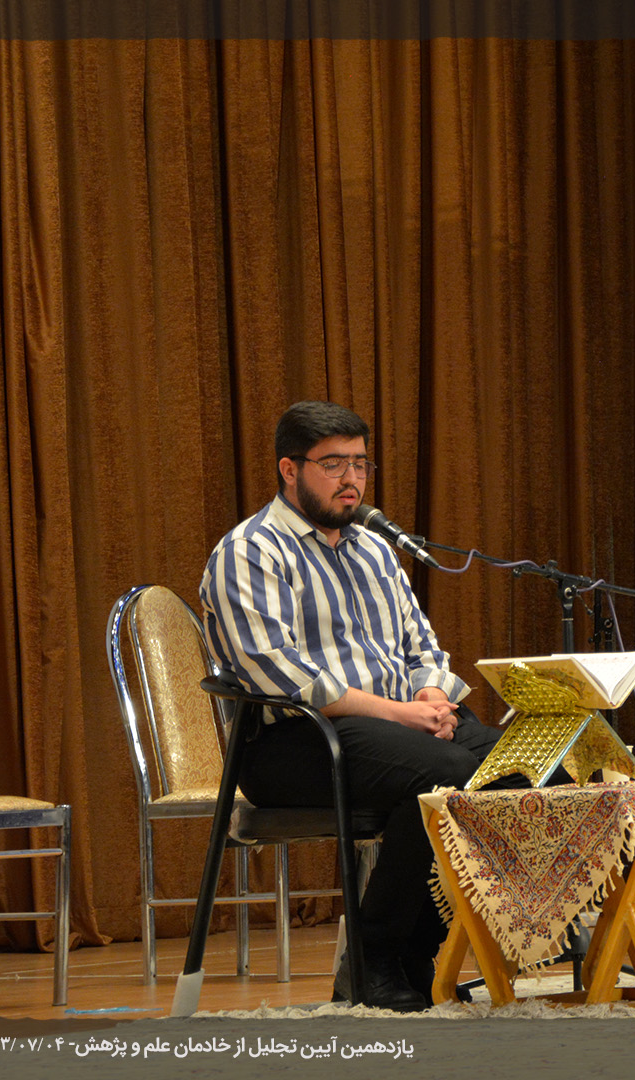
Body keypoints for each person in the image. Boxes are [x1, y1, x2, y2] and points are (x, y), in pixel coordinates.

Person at [200, 400, 500, 1012]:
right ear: (290, 469)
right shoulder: (251, 551)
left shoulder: (374, 550)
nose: (352, 479)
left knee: (521, 765)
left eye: (360, 464)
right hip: (297, 742)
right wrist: (402, 714)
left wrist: (431, 695)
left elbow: (421, 644)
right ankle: (372, 961)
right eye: (333, 464)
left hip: (399, 727)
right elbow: (281, 675)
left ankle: (418, 952)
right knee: (444, 774)